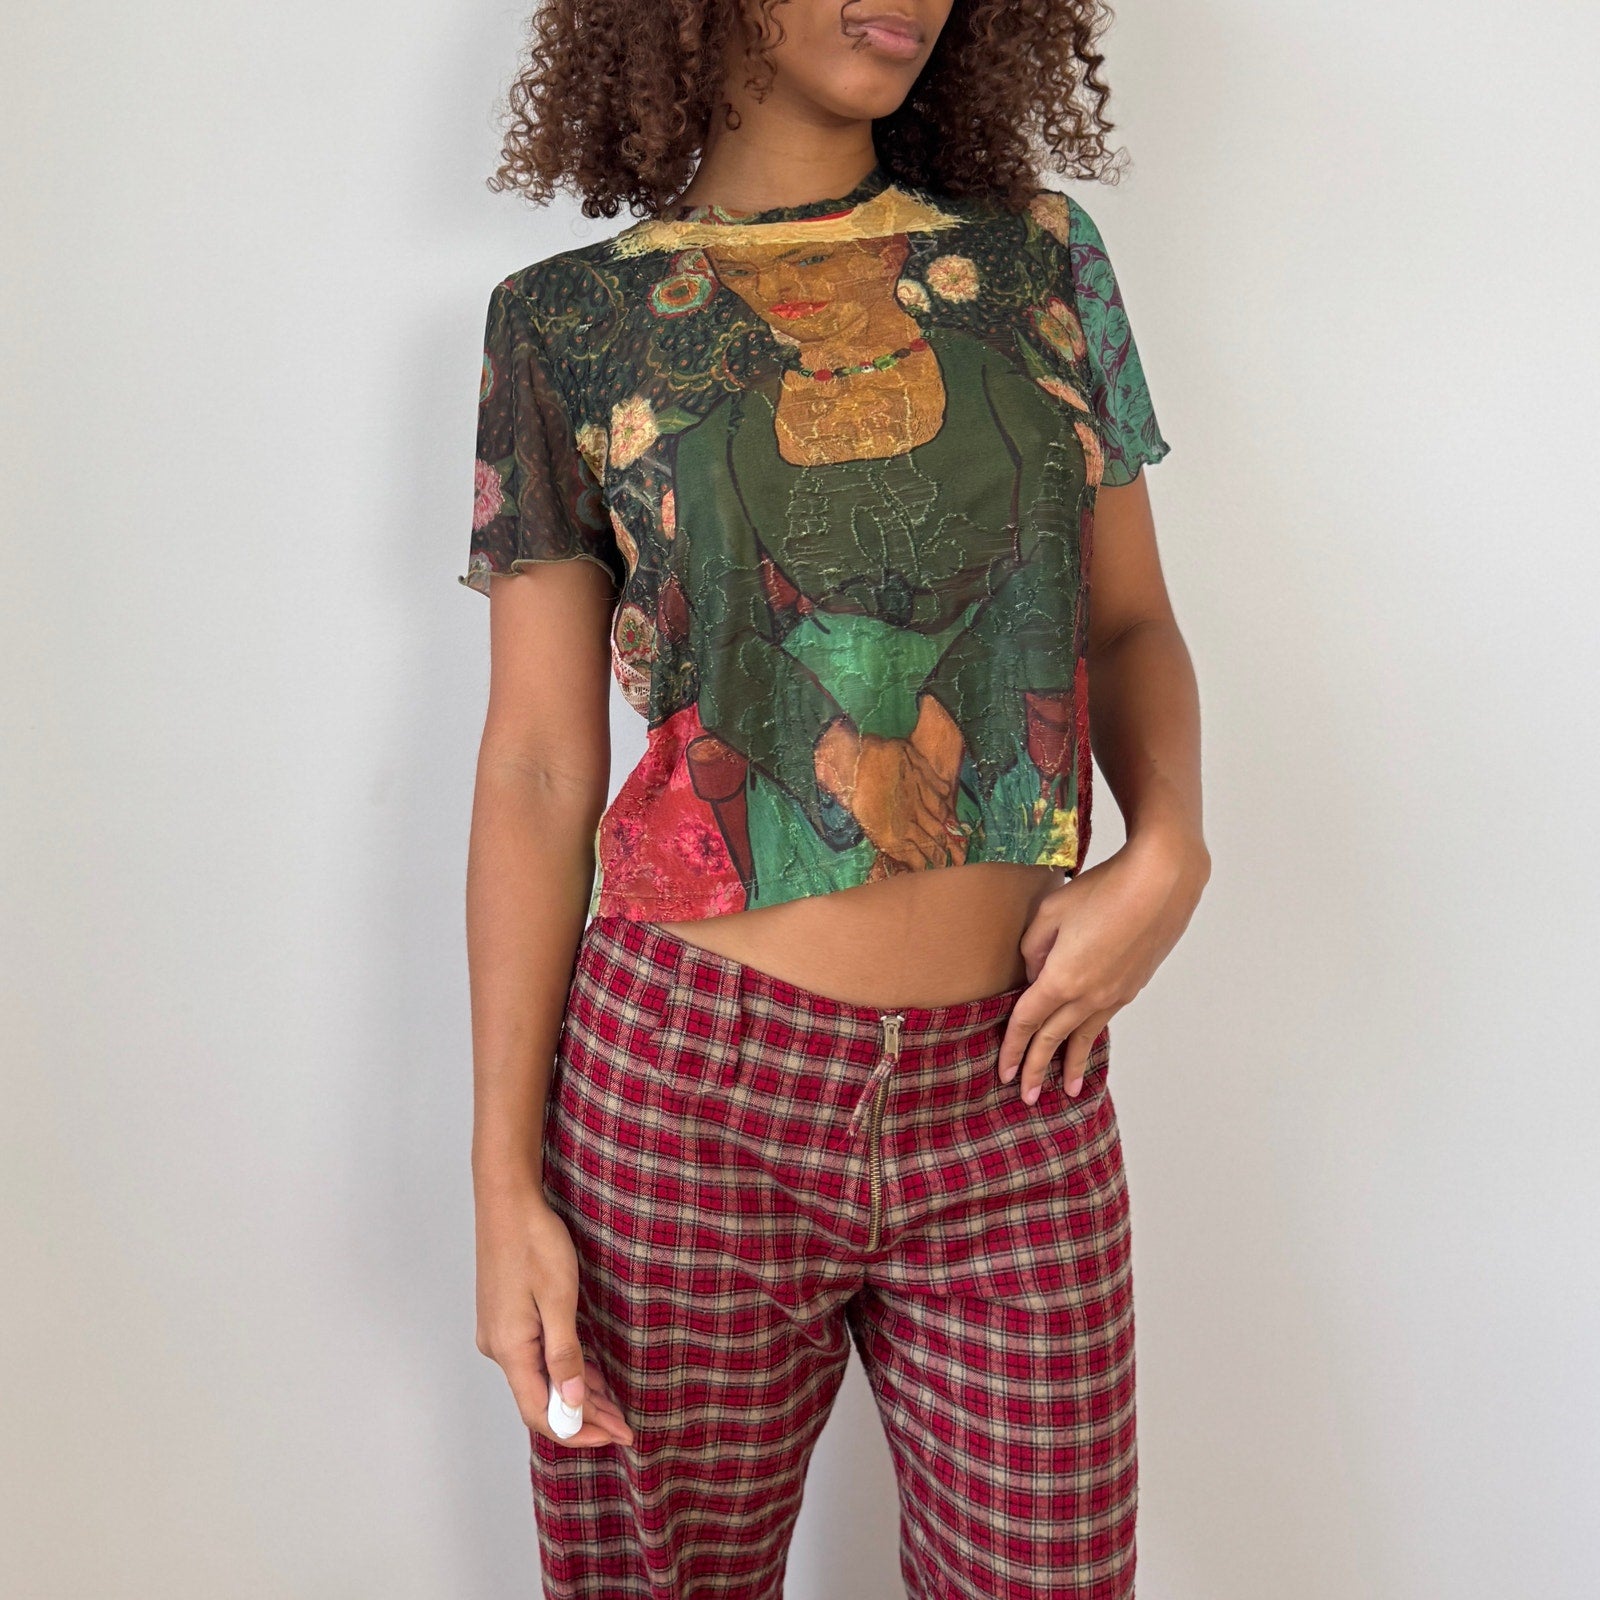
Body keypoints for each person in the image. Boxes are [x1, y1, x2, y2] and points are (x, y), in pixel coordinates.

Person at [461, 2, 1210, 1595]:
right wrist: (501, 1185)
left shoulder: (1036, 262)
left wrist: (1172, 849)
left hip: (1017, 1080)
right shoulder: (570, 322)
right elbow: (534, 767)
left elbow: (1128, 623)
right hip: (685, 1097)